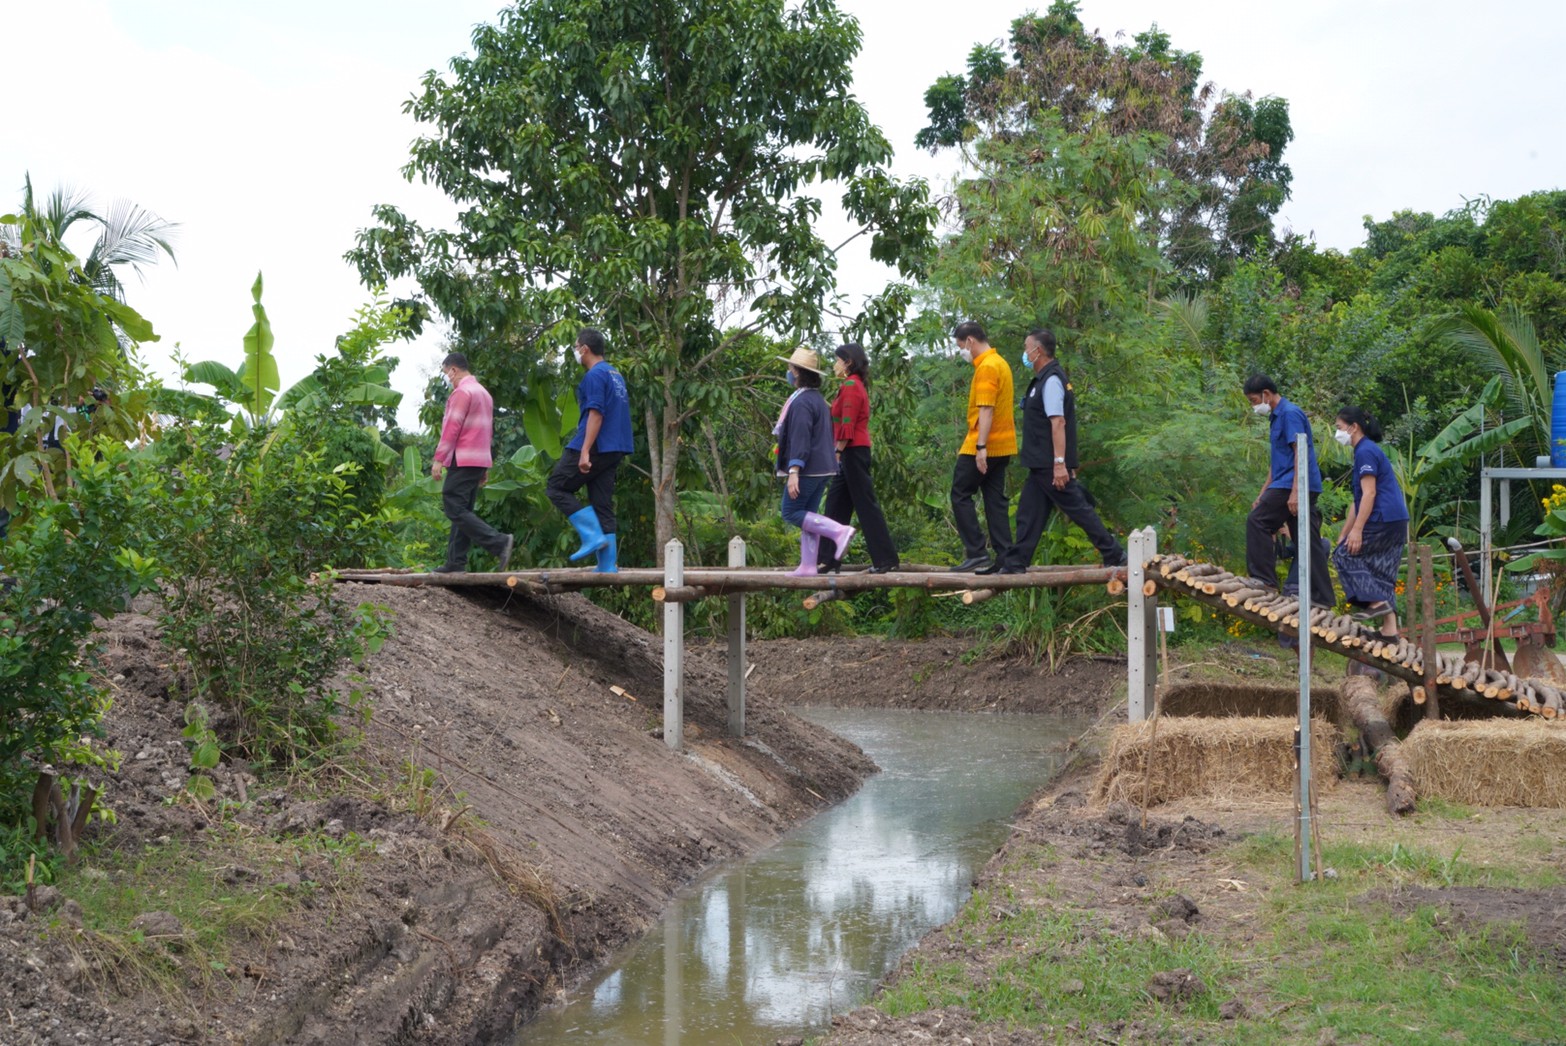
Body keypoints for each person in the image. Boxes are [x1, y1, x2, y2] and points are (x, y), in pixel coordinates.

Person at [996, 329, 1125, 574]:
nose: (1024, 352)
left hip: (1050, 463)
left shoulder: (1052, 380)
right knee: (1029, 512)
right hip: (1039, 463)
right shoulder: (1042, 379)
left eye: (1027, 347)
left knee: (1077, 508)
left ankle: (1115, 554)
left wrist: (1059, 463)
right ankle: (1016, 563)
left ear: (1038, 351)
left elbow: (1058, 422)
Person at [1242, 375, 1335, 608]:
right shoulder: (1276, 417)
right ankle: (1322, 597)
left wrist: (1296, 492)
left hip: (1294, 483)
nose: (1254, 406)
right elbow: (1277, 461)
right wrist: (1263, 492)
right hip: (1286, 481)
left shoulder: (1289, 413)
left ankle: (1264, 580)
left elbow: (1299, 452)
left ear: (1266, 393)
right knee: (1307, 540)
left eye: (1254, 400)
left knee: (1258, 521)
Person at [547, 327, 633, 573]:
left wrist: (584, 451)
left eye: (576, 346)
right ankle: (607, 565)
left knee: (556, 487)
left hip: (594, 444)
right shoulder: (615, 374)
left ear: (584, 349)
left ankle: (591, 535)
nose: (575, 351)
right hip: (614, 447)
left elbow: (596, 413)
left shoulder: (595, 375)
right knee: (602, 502)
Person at [817, 343, 899, 574]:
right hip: (849, 451)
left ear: (848, 363)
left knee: (865, 505)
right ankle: (829, 559)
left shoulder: (852, 385)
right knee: (835, 504)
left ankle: (886, 559)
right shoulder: (849, 386)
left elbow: (848, 424)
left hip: (853, 451)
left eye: (837, 360)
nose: (834, 365)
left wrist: (837, 452)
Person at [773, 347, 853, 577]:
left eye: (790, 368)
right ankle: (808, 565)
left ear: (797, 372)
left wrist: (794, 470)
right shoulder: (817, 399)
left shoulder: (801, 403)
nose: (788, 372)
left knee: (791, 512)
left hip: (809, 468)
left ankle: (839, 532)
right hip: (825, 467)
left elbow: (801, 437)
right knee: (808, 515)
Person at [431, 352, 513, 574]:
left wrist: (439, 458)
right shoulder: (484, 393)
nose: (448, 378)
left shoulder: (462, 392)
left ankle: (499, 542)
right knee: (463, 509)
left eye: (446, 373)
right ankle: (456, 562)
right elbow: (487, 431)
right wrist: (485, 465)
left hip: (463, 458)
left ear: (453, 370)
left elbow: (452, 427)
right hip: (478, 459)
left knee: (453, 505)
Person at [1331, 406, 1409, 634]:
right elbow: (1357, 501)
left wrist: (1356, 532)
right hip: (1396, 520)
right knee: (1382, 571)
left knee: (1344, 555)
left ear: (1353, 427)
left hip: (1382, 518)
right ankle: (1390, 633)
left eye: (1339, 428)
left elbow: (1370, 494)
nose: (1338, 434)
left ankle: (1376, 604)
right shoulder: (1366, 451)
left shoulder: (1365, 451)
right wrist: (1345, 532)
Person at [949, 321, 1016, 572]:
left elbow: (986, 409)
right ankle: (1005, 555)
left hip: (984, 443)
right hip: (1004, 445)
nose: (962, 352)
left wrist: (980, 447)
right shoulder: (1001, 362)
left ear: (970, 341)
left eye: (960, 346)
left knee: (960, 493)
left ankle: (976, 552)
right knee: (994, 500)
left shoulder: (987, 367)